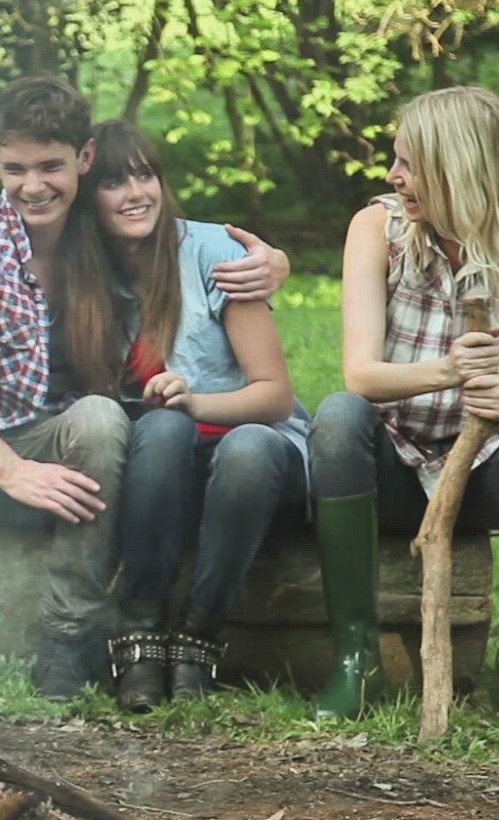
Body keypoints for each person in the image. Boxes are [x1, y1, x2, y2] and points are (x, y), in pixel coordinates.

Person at [0, 75, 290, 703]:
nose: (33, 186)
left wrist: (272, 262)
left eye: (50, 167)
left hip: (71, 468)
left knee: (98, 415)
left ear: (83, 159)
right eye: (15, 169)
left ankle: (69, 638)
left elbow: (176, 242)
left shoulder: (100, 232)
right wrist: (7, 468)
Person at [308, 85, 499, 724]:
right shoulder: (376, 228)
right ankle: (357, 662)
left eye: (409, 164)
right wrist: (447, 370)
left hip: (489, 468)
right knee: (336, 416)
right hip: (393, 464)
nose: (394, 176)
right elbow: (360, 376)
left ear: (459, 166)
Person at [54, 120, 311, 712]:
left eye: (146, 176)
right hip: (161, 470)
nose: (136, 194)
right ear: (88, 198)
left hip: (257, 458)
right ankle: (141, 636)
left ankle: (199, 635)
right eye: (113, 182)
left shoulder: (213, 254)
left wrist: (194, 401)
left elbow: (274, 396)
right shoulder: (81, 276)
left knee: (242, 446)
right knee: (164, 427)